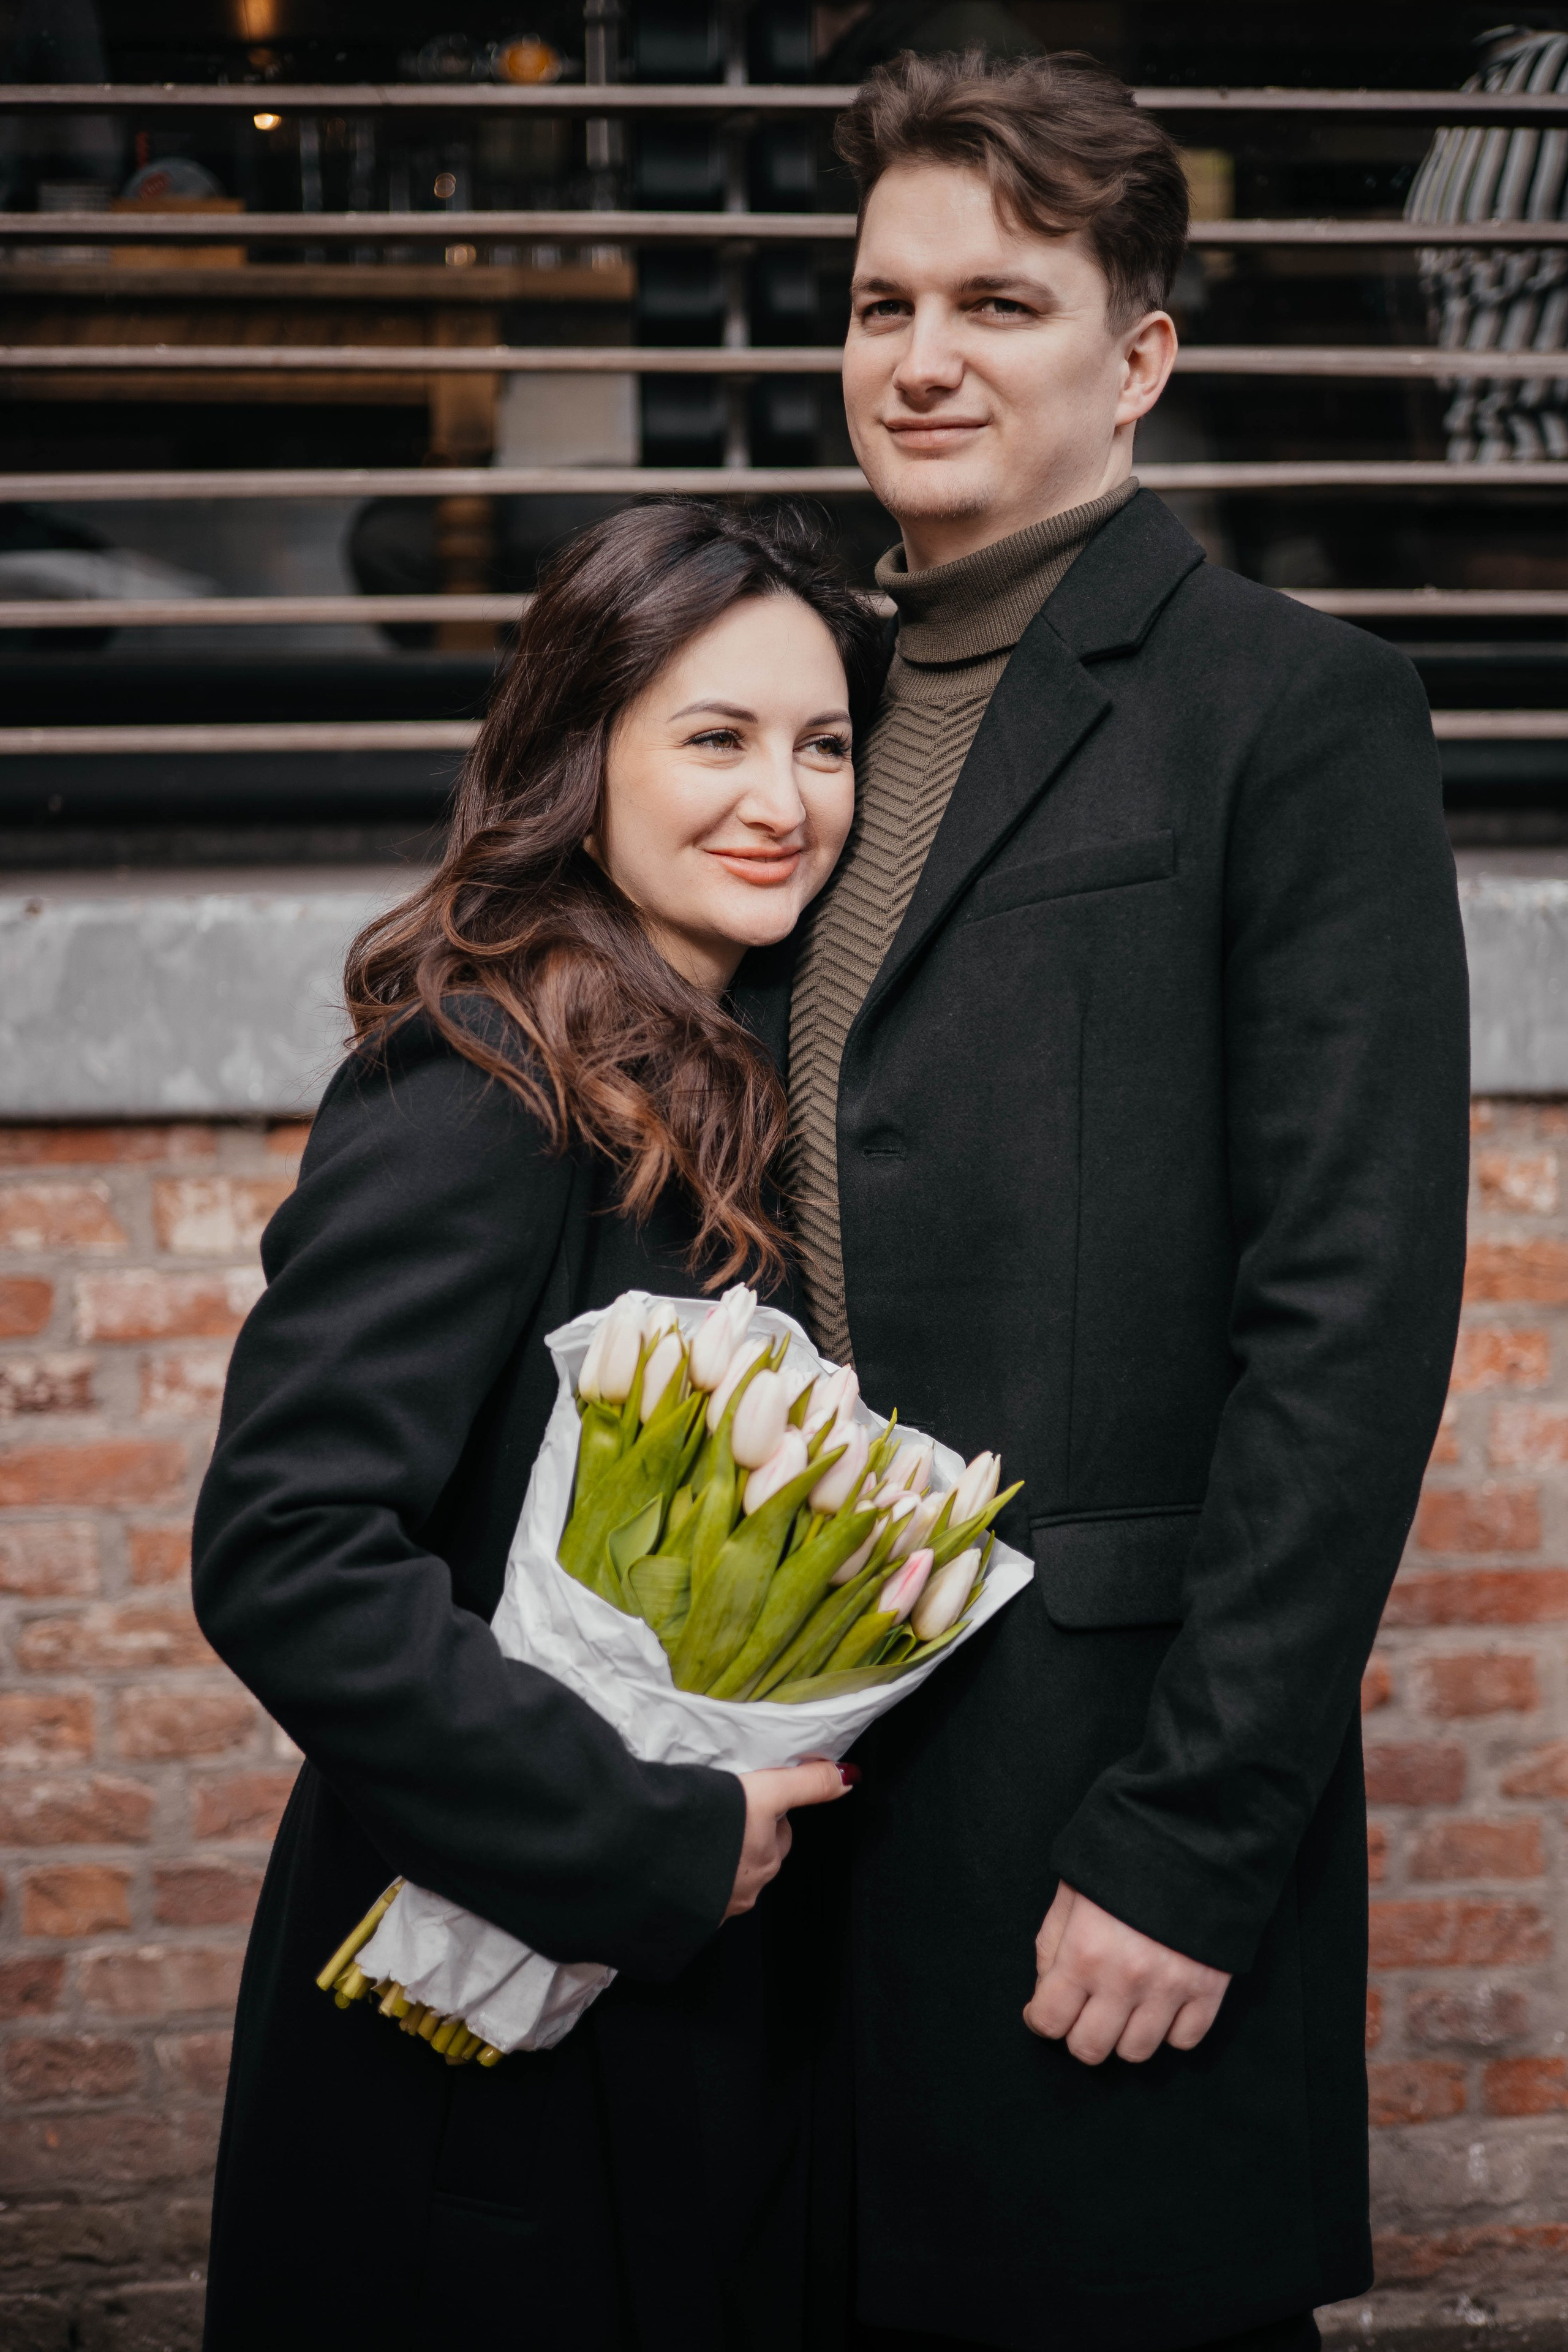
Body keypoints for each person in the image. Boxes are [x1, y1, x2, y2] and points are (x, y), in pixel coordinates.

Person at [733, 50, 1471, 2352]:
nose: (923, 358)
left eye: (1000, 303)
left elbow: (1346, 1323)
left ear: (1140, 356)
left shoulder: (1294, 711)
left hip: (1095, 1801)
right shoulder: (800, 715)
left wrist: (1192, 1838)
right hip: (794, 1800)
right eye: (881, 305)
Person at [190, 500, 884, 2352]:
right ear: (583, 762)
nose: (785, 798)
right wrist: (647, 1830)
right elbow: (286, 1547)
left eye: (823, 744)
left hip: (709, 2045)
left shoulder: (766, 1079)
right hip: (473, 2051)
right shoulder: (479, 1081)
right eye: (716, 737)